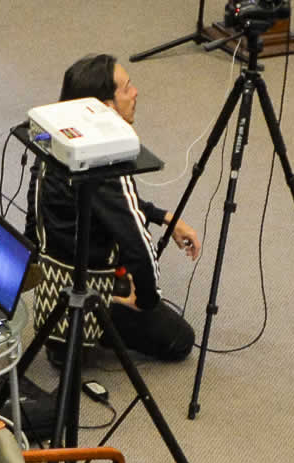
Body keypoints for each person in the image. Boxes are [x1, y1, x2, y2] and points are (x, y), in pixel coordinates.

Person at [36, 54, 195, 362]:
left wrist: (163, 217)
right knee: (181, 340)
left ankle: (69, 338)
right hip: (90, 294)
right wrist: (146, 300)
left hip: (52, 294)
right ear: (105, 108)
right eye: (127, 87)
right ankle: (103, 329)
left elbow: (105, 206)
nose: (135, 92)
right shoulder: (105, 162)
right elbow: (137, 245)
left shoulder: (51, 143)